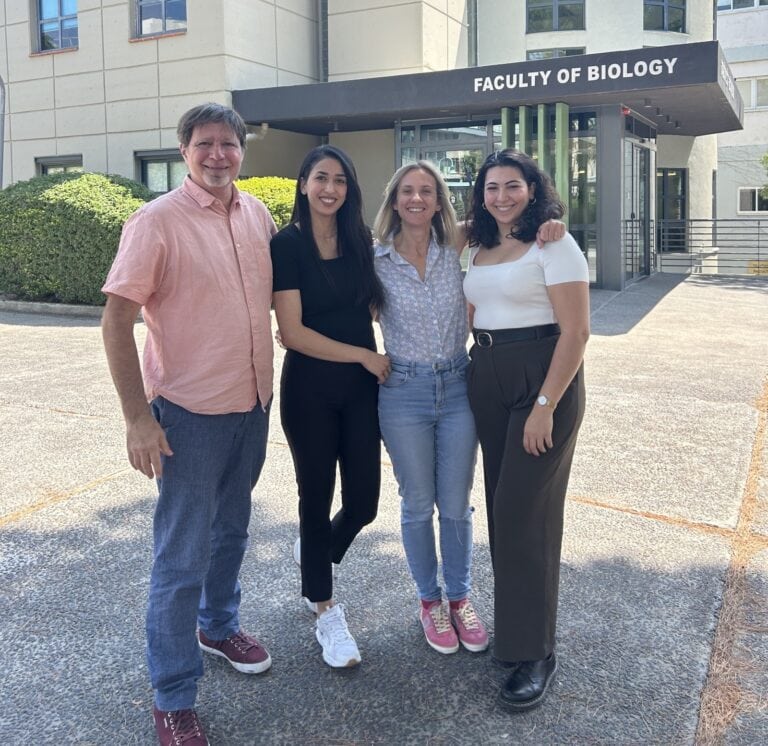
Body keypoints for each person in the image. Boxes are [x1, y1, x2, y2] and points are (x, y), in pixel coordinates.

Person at [101, 103, 275, 746]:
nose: (218, 155)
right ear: (184, 151)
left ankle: (218, 625)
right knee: (180, 557)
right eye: (205, 144)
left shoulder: (257, 215)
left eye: (228, 143)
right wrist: (137, 419)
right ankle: (173, 695)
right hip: (188, 416)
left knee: (232, 532)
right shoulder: (156, 222)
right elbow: (116, 321)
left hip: (252, 407)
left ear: (242, 150)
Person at [372, 161, 565, 657]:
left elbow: (511, 215)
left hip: (460, 384)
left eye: (427, 191)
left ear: (440, 200)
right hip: (404, 392)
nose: (417, 199)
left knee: (456, 504)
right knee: (418, 503)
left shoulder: (458, 244)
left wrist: (551, 223)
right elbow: (346, 308)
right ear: (394, 200)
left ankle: (459, 598)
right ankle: (429, 601)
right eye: (407, 191)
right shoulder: (375, 261)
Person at [463, 149, 590, 712]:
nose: (502, 196)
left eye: (512, 185)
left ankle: (536, 652)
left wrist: (545, 405)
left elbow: (577, 331)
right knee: (501, 510)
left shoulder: (553, 244)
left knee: (525, 514)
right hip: (488, 374)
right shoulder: (476, 245)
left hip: (542, 379)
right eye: (492, 187)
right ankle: (515, 636)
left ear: (532, 188)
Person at [270, 145, 388, 669]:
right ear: (303, 183)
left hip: (361, 390)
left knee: (363, 503)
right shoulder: (287, 244)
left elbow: (383, 296)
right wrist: (363, 354)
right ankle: (325, 609)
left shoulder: (361, 240)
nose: (330, 189)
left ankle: (315, 552)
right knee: (314, 500)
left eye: (340, 180)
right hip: (310, 389)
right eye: (321, 178)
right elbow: (293, 332)